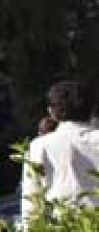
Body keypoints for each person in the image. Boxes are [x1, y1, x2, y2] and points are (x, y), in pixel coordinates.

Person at [20, 80, 99, 221]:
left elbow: (31, 204)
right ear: (92, 109)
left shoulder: (39, 146)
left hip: (64, 228)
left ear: (51, 112)